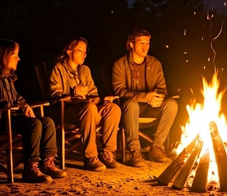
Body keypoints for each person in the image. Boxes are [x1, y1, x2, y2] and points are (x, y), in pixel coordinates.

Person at [0, 39, 67, 183]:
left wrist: (23, 104)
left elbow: (17, 98)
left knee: (47, 122)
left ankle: (47, 163)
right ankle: (30, 168)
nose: (18, 59)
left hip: (7, 118)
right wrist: (17, 105)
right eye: (15, 55)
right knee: (33, 124)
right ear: (3, 56)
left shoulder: (7, 79)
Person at [49, 37, 121, 172]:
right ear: (69, 52)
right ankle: (90, 156)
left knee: (113, 108)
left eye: (85, 51)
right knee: (89, 107)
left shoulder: (85, 70)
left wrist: (103, 100)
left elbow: (92, 93)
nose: (84, 54)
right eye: (80, 50)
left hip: (89, 109)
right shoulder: (59, 69)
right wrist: (74, 92)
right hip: (67, 111)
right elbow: (55, 94)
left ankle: (108, 152)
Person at [112, 29, 178, 167]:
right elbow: (119, 91)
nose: (145, 46)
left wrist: (157, 97)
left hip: (151, 107)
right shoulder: (120, 65)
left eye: (147, 43)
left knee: (172, 104)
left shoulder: (155, 64)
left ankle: (157, 148)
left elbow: (162, 88)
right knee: (131, 104)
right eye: (141, 43)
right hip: (129, 110)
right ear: (131, 44)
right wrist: (145, 97)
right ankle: (135, 151)